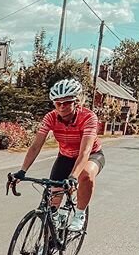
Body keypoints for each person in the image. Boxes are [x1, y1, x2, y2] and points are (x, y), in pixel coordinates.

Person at [12, 78, 104, 231]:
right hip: (65, 157)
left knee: (86, 174)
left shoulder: (88, 117)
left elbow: (85, 151)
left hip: (91, 155)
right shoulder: (50, 117)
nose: (62, 107)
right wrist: (22, 171)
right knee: (52, 205)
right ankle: (50, 240)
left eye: (67, 102)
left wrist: (73, 177)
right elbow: (35, 146)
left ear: (77, 101)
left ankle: (80, 214)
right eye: (57, 103)